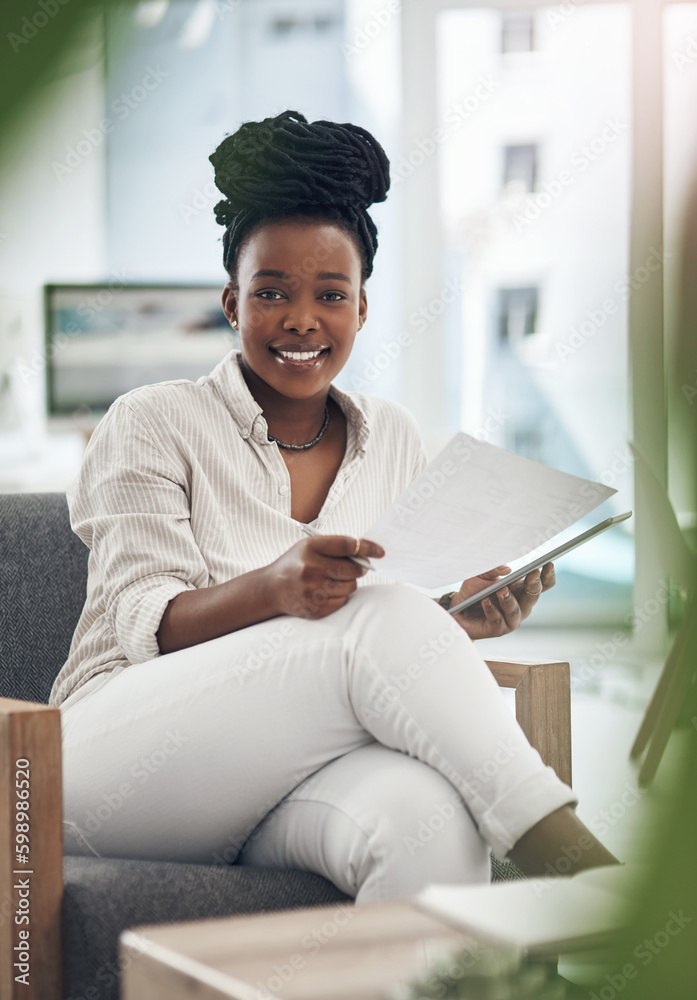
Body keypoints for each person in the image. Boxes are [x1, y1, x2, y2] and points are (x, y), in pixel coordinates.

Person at [53, 110, 617, 904]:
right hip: (106, 763)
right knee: (380, 615)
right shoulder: (152, 419)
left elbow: (355, 645)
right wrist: (277, 588)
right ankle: (577, 864)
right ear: (230, 301)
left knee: (426, 823)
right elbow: (148, 621)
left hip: (285, 763)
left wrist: (450, 620)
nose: (300, 319)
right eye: (271, 293)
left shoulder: (389, 434)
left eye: (329, 294)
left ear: (361, 308)